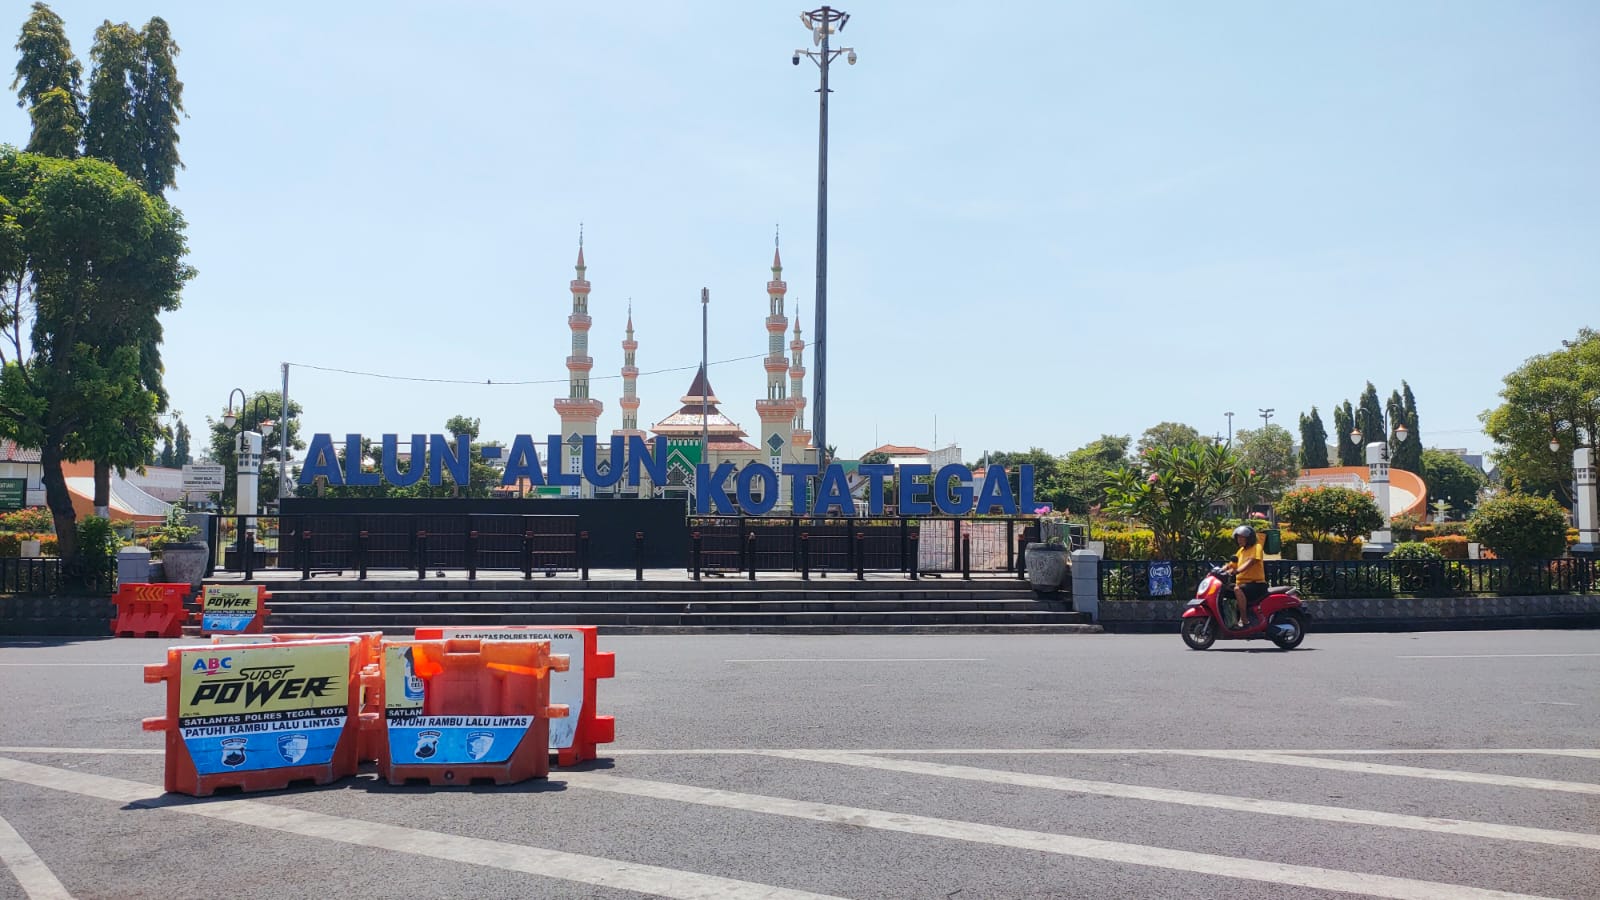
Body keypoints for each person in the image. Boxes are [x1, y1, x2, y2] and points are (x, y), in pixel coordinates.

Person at [1221, 525, 1266, 629]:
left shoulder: (1257, 547)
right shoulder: (1241, 551)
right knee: (1223, 590)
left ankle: (1244, 621)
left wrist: (1237, 571)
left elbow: (1251, 562)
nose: (1239, 540)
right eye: (1238, 537)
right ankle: (1231, 621)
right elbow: (1231, 564)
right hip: (1244, 585)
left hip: (1257, 585)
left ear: (1249, 538)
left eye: (1242, 537)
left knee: (1237, 589)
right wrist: (1220, 570)